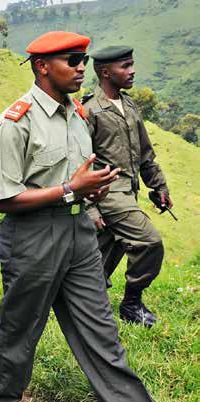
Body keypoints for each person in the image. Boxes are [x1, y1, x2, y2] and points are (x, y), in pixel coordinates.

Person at [0, 31, 199, 402]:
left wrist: (91, 194)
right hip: (32, 239)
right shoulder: (15, 122)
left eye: (84, 60)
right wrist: (69, 188)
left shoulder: (78, 115)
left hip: (80, 233)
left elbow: (83, 173)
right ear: (43, 66)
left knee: (103, 337)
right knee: (21, 328)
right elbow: (2, 200)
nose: (82, 67)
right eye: (72, 60)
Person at [82, 46, 171, 328]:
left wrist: (158, 187)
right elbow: (78, 163)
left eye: (132, 65)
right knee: (149, 242)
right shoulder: (90, 110)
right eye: (126, 66)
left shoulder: (129, 105)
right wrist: (90, 207)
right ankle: (131, 304)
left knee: (101, 257)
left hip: (129, 190)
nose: (132, 71)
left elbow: (145, 153)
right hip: (107, 191)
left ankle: (84, 306)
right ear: (106, 72)